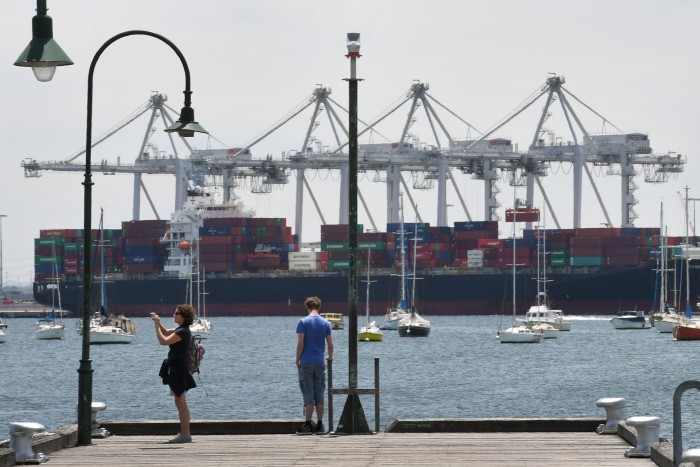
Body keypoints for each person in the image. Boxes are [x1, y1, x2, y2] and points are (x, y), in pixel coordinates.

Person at [151, 304, 197, 443]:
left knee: (180, 401)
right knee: (180, 400)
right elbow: (165, 332)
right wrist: (158, 322)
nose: (174, 315)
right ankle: (185, 433)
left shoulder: (183, 332)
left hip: (179, 368)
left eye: (176, 313)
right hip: (177, 367)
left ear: (183, 317)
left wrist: (155, 327)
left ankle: (185, 435)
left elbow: (163, 341)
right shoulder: (181, 330)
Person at [295, 296, 334, 434]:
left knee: (308, 394)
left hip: (306, 362)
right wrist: (330, 356)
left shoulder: (303, 322)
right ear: (319, 307)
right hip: (320, 362)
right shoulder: (326, 323)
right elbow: (330, 344)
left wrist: (297, 359)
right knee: (319, 394)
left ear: (307, 307)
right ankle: (320, 425)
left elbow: (301, 344)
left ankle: (307, 425)